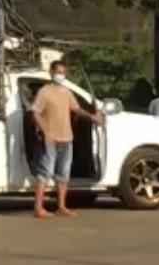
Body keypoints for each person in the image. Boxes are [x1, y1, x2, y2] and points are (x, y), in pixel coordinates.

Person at [31, 60, 105, 220]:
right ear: (51, 73)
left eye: (63, 73)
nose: (61, 75)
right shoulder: (44, 92)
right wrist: (45, 132)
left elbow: (76, 109)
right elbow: (35, 112)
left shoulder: (66, 92)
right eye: (58, 72)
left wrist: (92, 116)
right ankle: (38, 207)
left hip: (66, 138)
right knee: (45, 172)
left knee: (63, 174)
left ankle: (62, 206)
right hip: (51, 138)